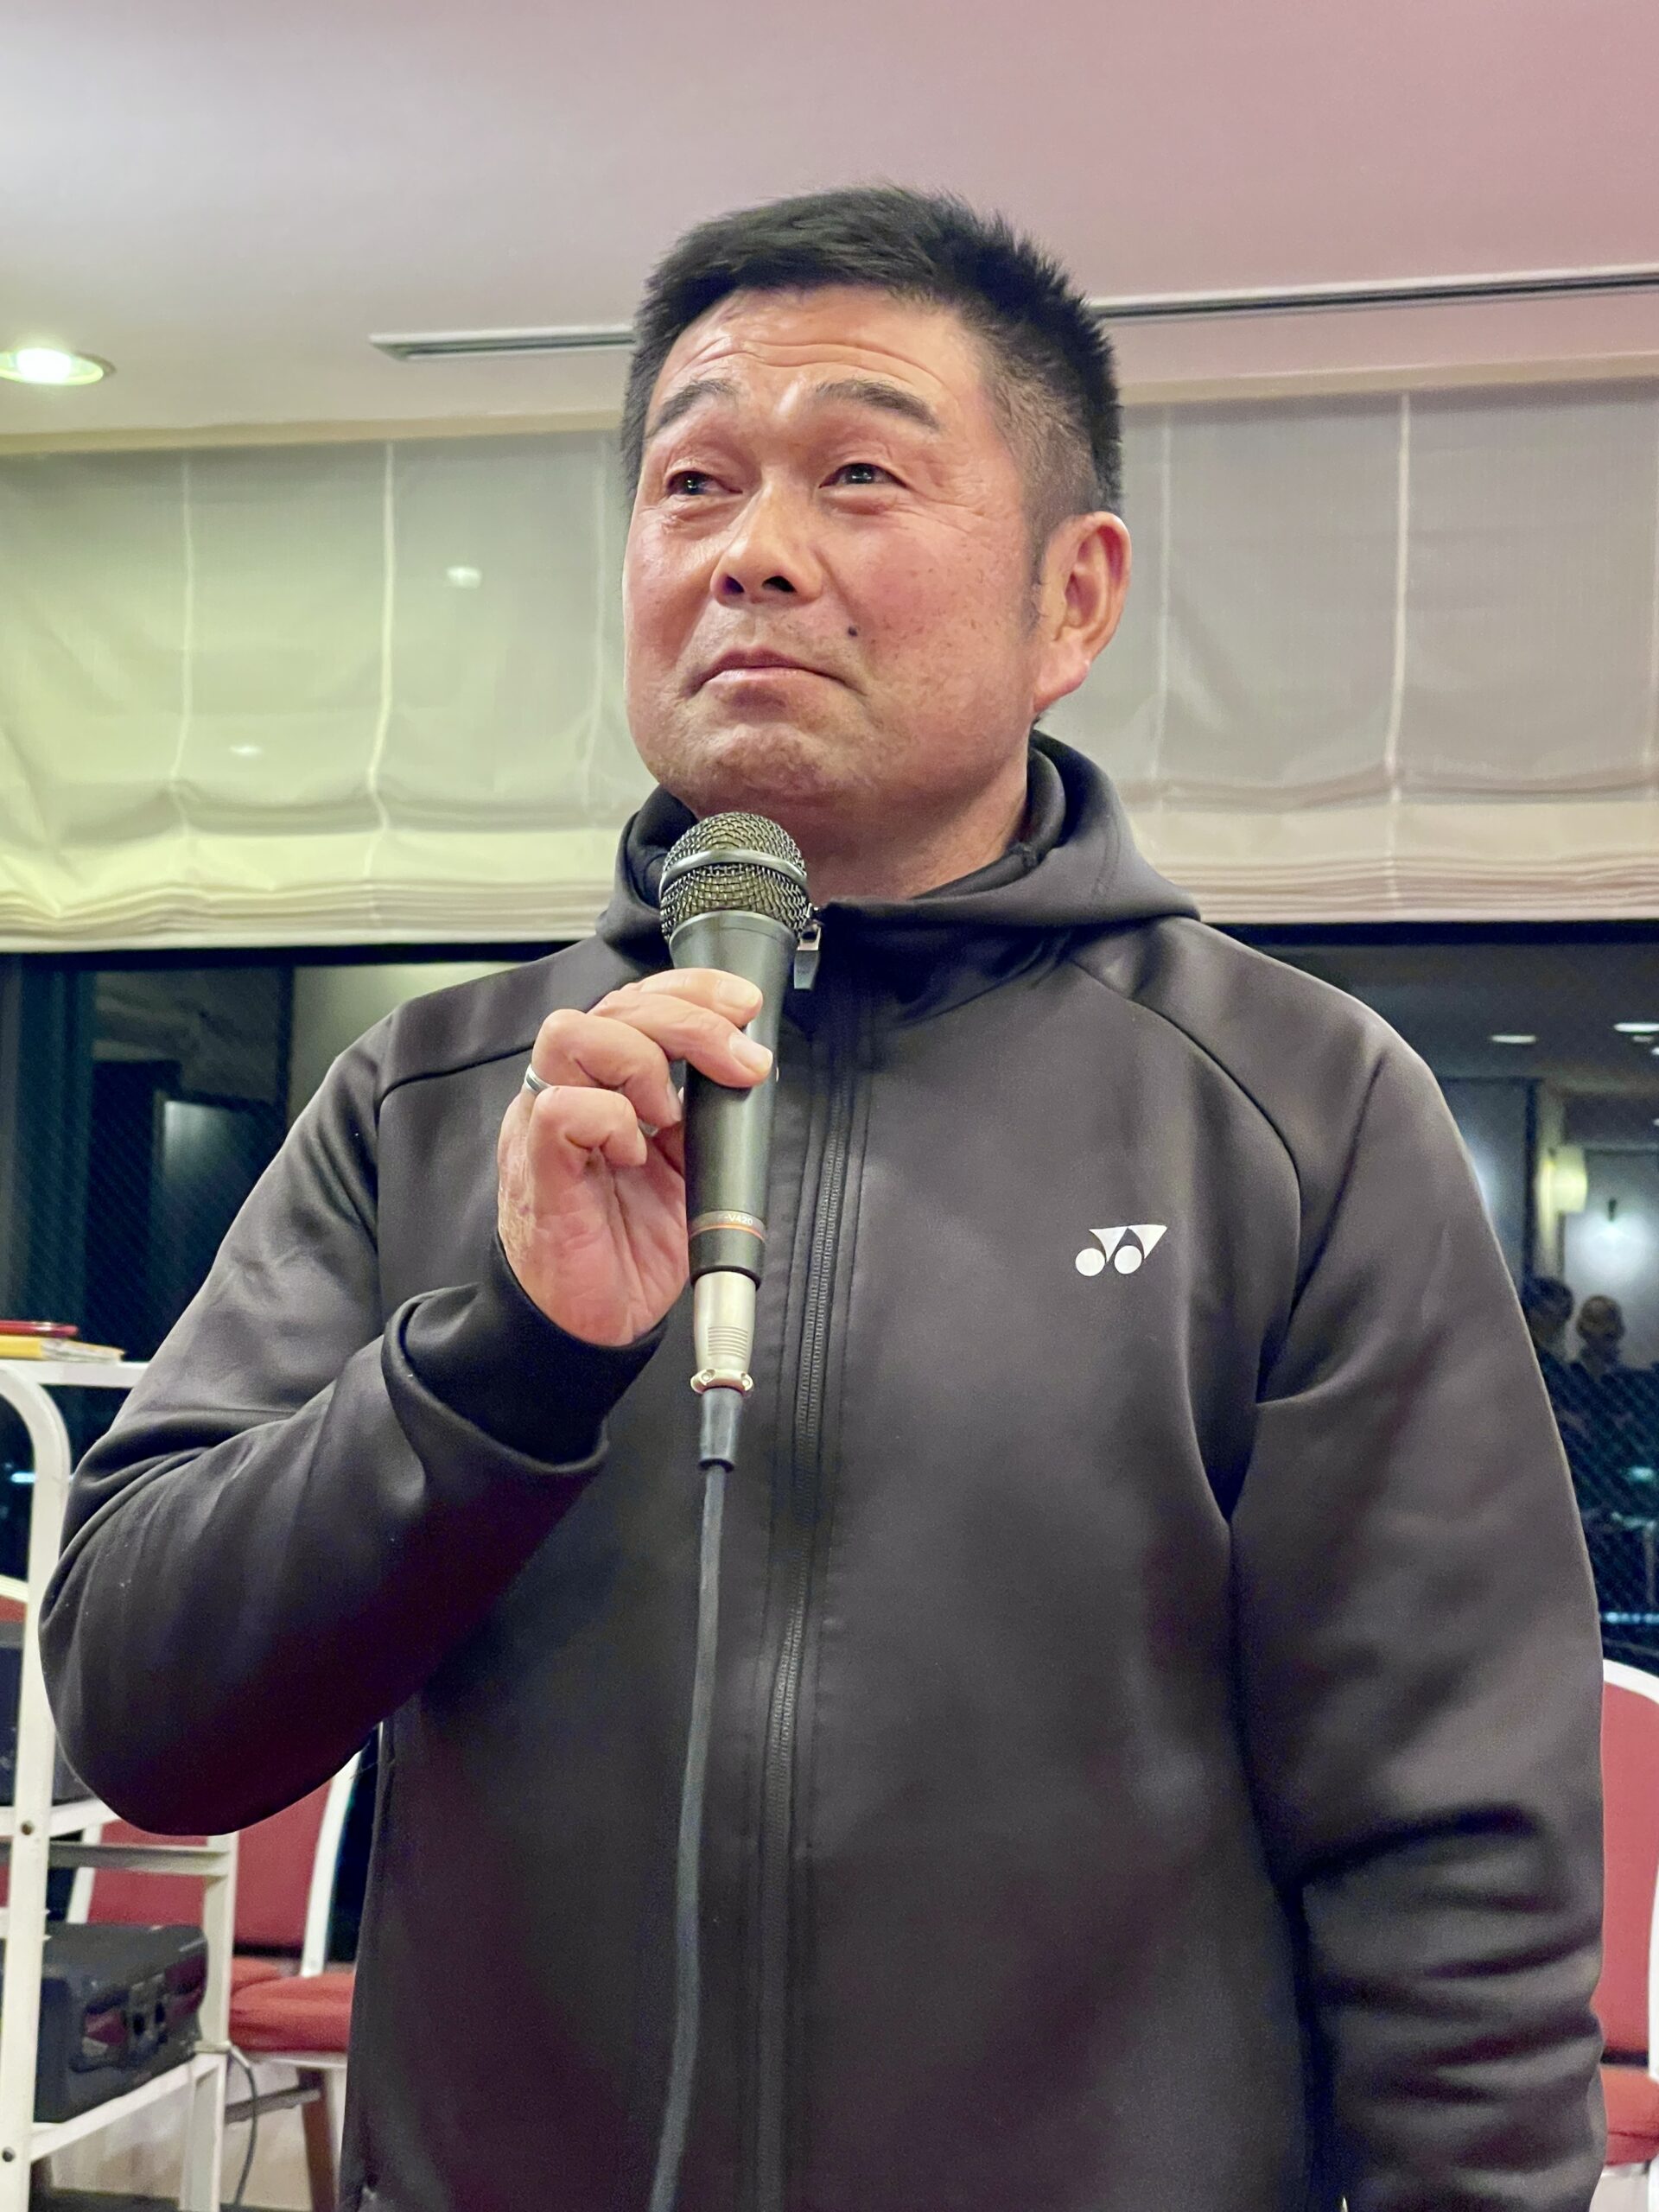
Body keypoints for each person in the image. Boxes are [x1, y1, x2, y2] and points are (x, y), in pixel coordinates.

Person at [41, 189, 1604, 2212]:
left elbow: (1458, 1862)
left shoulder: (1293, 1111)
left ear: (1073, 598)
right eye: (692, 481)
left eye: (860, 474)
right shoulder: (433, 1099)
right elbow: (145, 1715)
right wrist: (500, 1363)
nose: (752, 551)